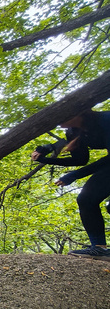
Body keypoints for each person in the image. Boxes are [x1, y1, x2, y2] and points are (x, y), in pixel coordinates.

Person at [31, 109, 110, 260]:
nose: (57, 121)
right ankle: (99, 248)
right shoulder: (74, 132)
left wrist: (74, 175)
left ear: (79, 111)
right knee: (86, 199)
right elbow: (80, 160)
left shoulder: (105, 119)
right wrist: (45, 157)